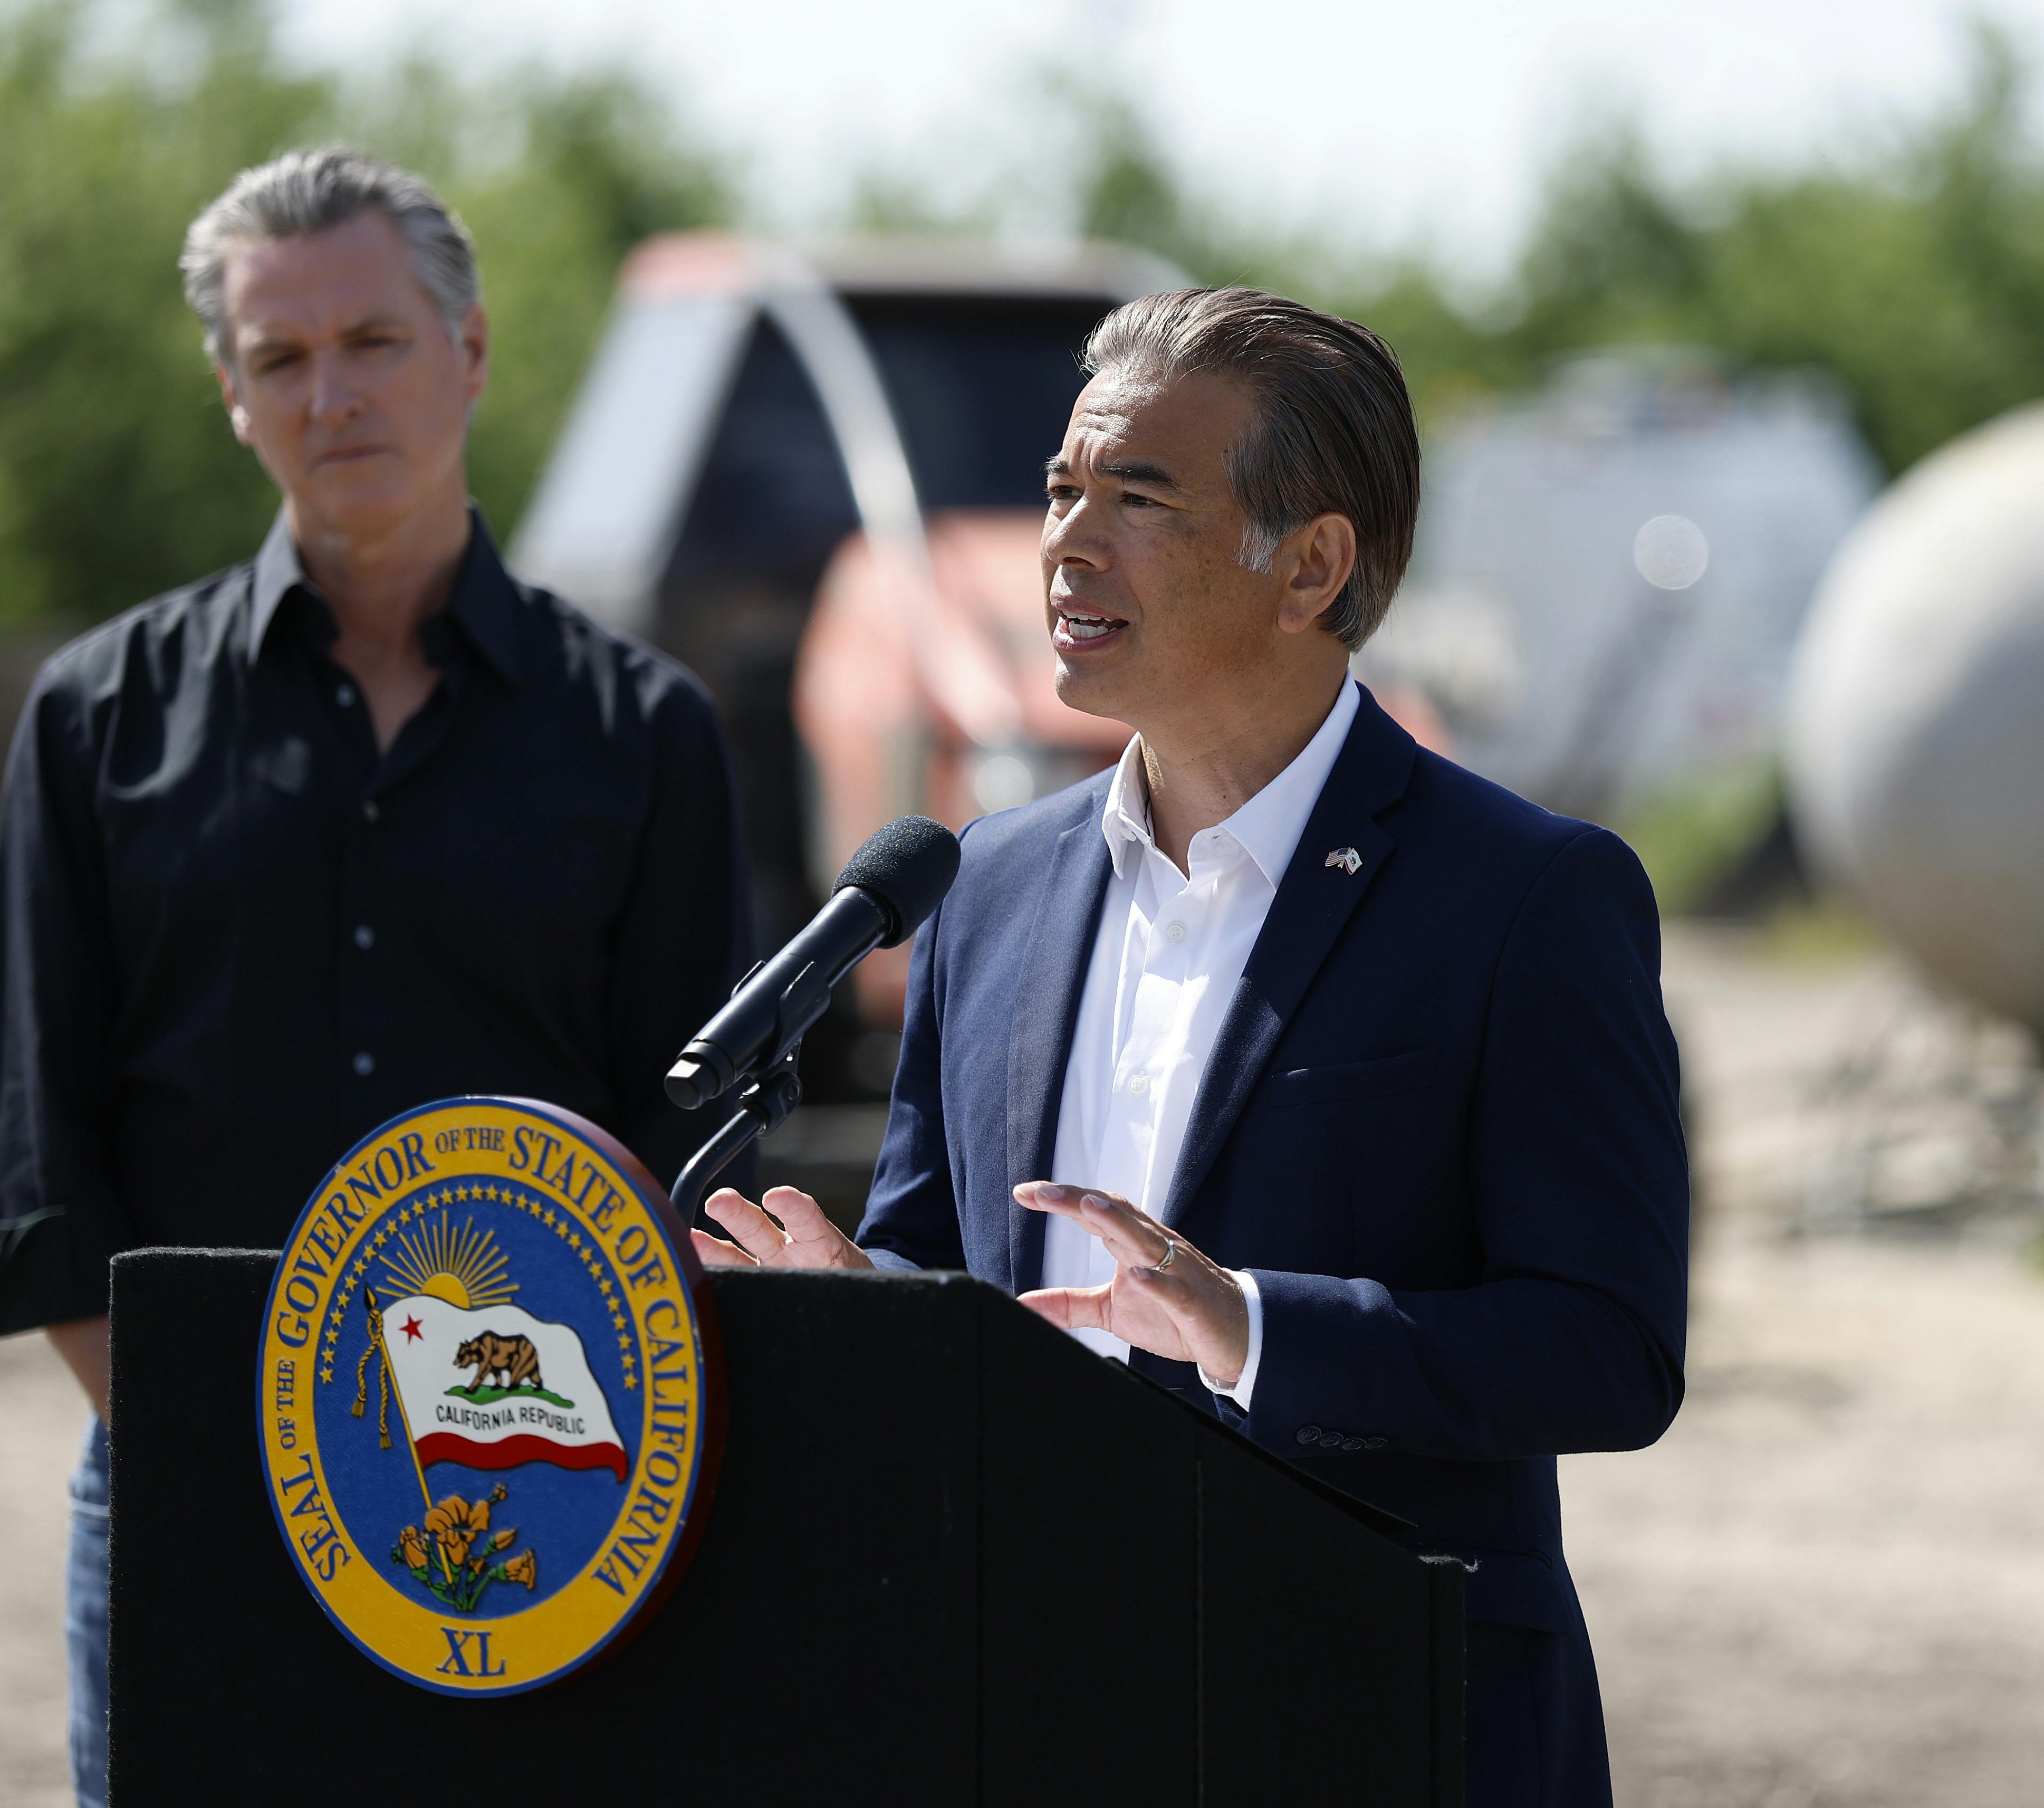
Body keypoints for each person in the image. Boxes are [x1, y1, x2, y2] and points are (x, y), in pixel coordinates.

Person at [693, 286, 1688, 1806]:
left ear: (1311, 564)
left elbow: (1608, 1351)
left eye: (1136, 496)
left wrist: (1247, 1326)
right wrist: (860, 1307)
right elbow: (949, 1277)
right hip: (1028, 1700)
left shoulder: (1526, 899)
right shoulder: (985, 888)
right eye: (1058, 488)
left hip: (1372, 1714)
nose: (1064, 540)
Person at [0, 149, 750, 1807]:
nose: (332, 393)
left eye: (374, 340)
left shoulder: (648, 737)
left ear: (468, 352)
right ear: (231, 396)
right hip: (189, 1494)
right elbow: (32, 1168)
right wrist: (253, 1458)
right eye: (281, 357)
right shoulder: (97, 721)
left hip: (537, 1517)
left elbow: (694, 1176)